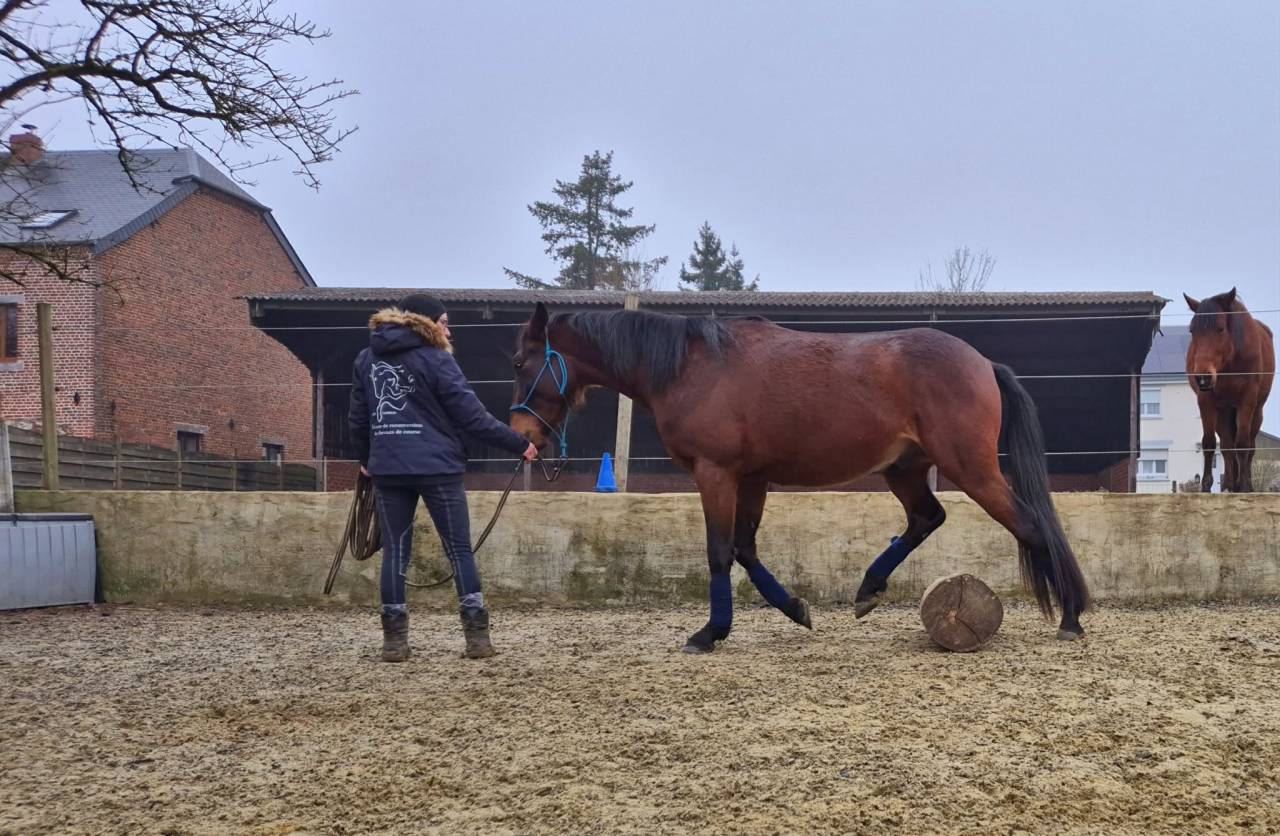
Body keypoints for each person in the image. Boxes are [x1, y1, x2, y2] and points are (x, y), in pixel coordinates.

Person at [348, 292, 537, 661]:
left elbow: (358, 416)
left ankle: (394, 642)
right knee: (459, 550)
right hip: (439, 468)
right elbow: (472, 418)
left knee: (395, 554)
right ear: (424, 321)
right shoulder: (438, 359)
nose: (449, 329)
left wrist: (367, 458)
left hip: (388, 468)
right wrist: (518, 444)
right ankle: (477, 638)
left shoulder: (366, 359)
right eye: (445, 321)